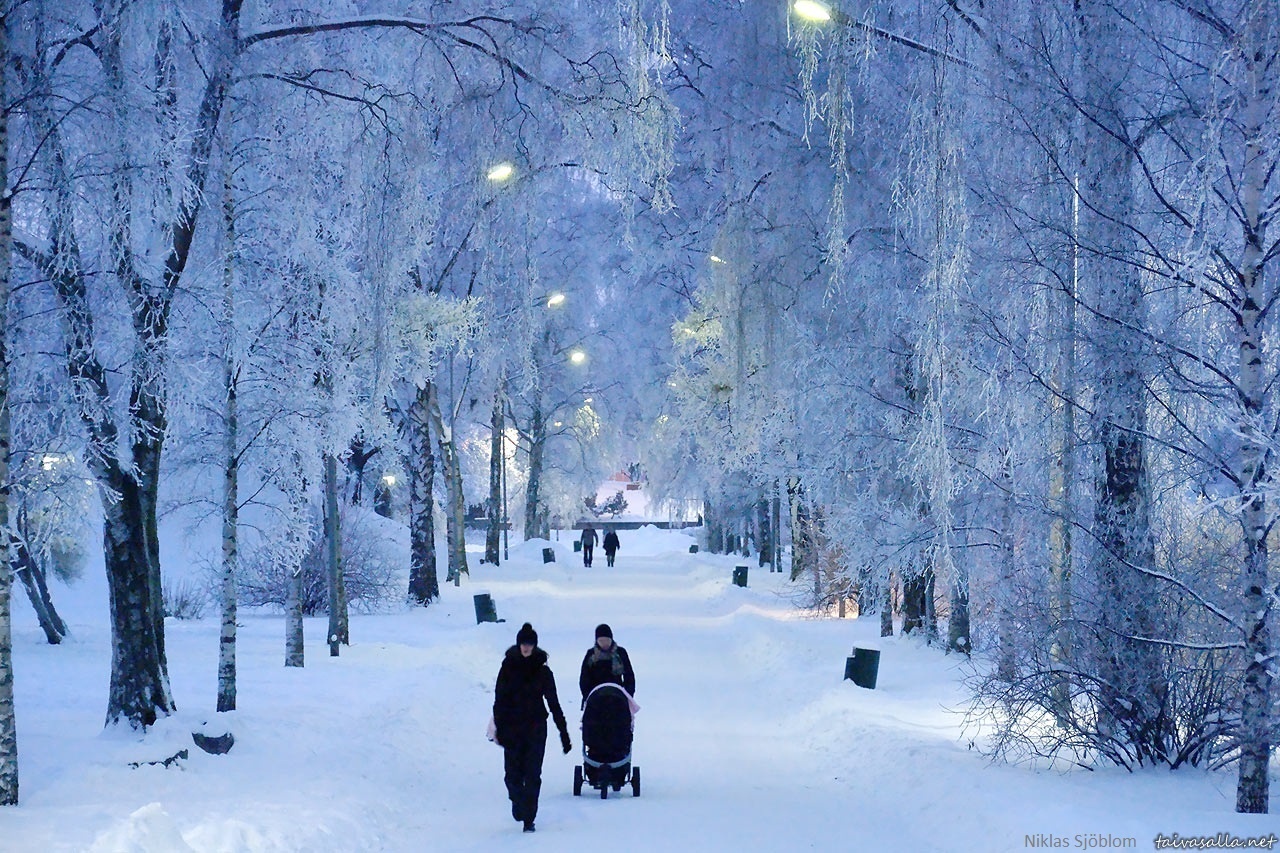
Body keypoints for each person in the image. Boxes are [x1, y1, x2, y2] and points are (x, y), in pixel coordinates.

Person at [492, 623, 571, 833]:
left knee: (533, 774)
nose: (526, 647)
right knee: (512, 775)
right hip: (512, 728)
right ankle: (518, 802)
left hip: (536, 728)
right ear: (518, 645)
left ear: (534, 646)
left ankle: (529, 818)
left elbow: (553, 703)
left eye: (529, 644)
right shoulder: (507, 668)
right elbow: (499, 699)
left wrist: (563, 733)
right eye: (523, 644)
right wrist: (500, 726)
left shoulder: (542, 671)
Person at [579, 623, 636, 704]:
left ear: (611, 639)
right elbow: (584, 679)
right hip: (596, 697)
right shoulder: (591, 655)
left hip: (617, 696)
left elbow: (629, 677)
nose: (604, 643)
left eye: (607, 640)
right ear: (597, 641)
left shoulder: (620, 653)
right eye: (601, 641)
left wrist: (627, 696)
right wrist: (588, 697)